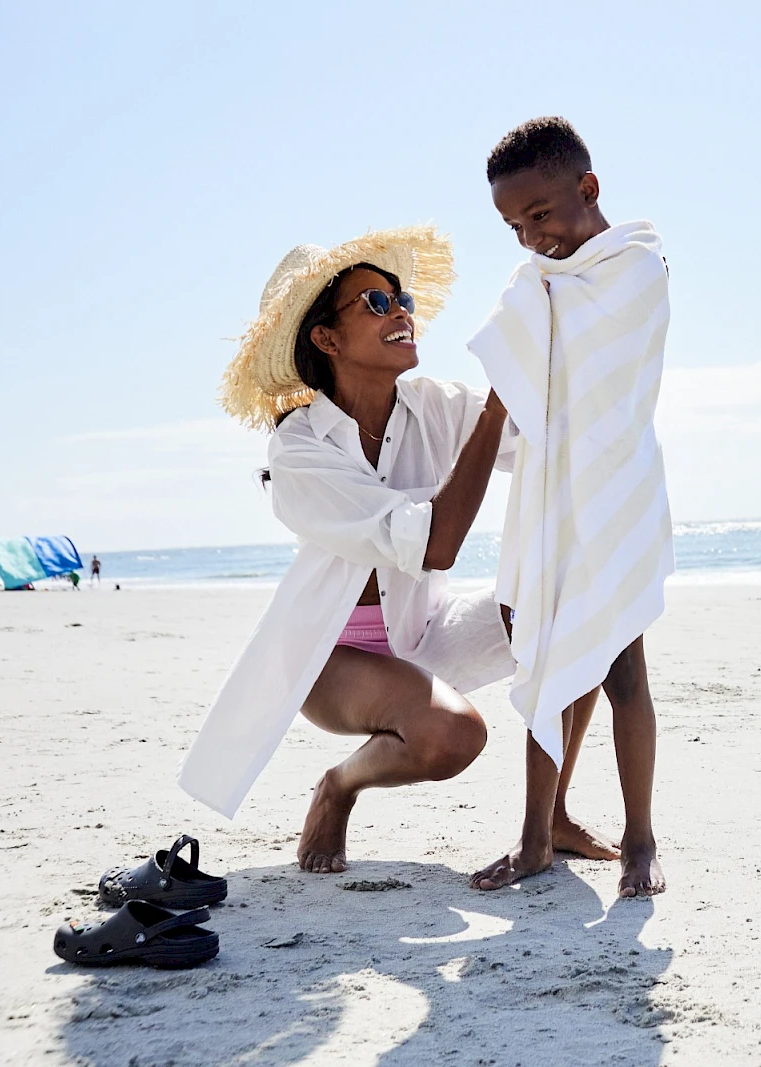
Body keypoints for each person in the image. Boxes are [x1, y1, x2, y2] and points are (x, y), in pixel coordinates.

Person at [178, 227, 607, 874]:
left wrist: (575, 321)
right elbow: (435, 544)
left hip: (425, 629)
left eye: (400, 296)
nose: (401, 311)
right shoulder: (300, 452)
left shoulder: (432, 404)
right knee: (456, 736)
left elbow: (549, 436)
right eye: (376, 303)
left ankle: (551, 815)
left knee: (583, 612)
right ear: (326, 338)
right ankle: (340, 785)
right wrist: (494, 410)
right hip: (334, 657)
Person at [467, 118, 672, 898]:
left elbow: (612, 376)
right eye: (514, 226)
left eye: (540, 215)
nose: (529, 239)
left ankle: (642, 839)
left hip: (615, 489)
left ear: (587, 190)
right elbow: (513, 383)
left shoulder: (638, 265)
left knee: (623, 669)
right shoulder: (534, 286)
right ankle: (534, 836)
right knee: (547, 656)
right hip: (549, 494)